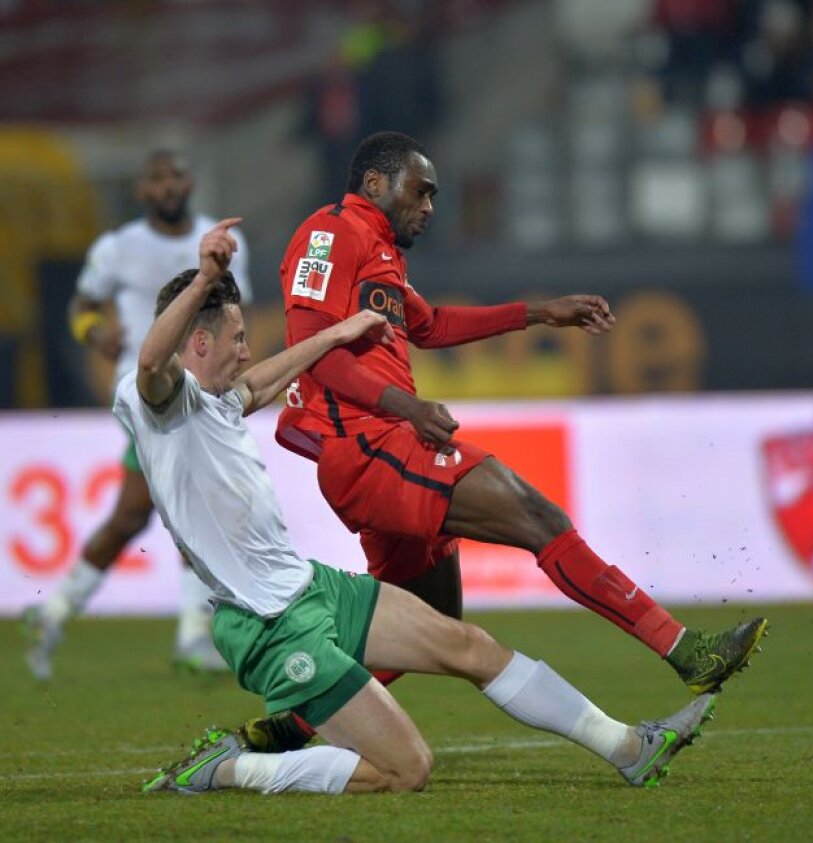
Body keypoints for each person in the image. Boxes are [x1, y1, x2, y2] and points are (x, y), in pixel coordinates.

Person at [132, 219, 716, 795]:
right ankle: (227, 770)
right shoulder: (159, 404)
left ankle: (629, 749)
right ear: (200, 342)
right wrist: (205, 277)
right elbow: (152, 365)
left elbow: (260, 384)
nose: (244, 351)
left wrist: (335, 335)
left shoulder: (214, 406)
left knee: (469, 645)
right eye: (237, 339)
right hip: (265, 623)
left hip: (311, 589)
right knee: (405, 770)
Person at [239, 130, 766, 753]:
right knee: (542, 521)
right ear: (375, 183)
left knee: (432, 623)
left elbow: (431, 326)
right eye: (420, 191)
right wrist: (406, 405)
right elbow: (313, 352)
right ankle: (687, 651)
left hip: (383, 444)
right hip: (368, 446)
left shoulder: (381, 249)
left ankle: (289, 730)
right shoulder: (328, 234)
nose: (429, 207)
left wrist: (540, 313)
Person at [22, 149, 252, 680]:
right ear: (142, 191)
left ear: (190, 182)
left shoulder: (220, 245)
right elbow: (81, 306)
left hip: (200, 393)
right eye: (157, 179)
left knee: (133, 514)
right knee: (195, 500)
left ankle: (53, 611)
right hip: (146, 393)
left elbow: (235, 316)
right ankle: (193, 636)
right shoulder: (118, 247)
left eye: (176, 176)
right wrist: (95, 333)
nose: (168, 186)